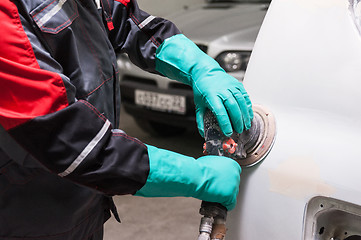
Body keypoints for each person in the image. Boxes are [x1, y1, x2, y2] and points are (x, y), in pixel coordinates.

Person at [0, 0, 253, 239]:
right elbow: (69, 140)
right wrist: (197, 176)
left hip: (86, 202)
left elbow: (128, 20)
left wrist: (199, 67)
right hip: (26, 218)